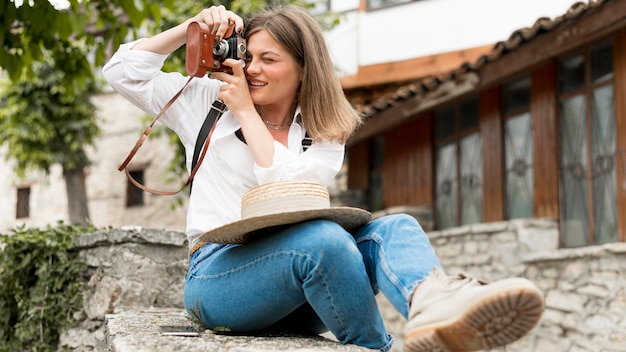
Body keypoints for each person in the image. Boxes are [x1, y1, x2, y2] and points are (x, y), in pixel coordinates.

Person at [102, 5, 544, 352]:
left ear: (303, 69)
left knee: (396, 227)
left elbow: (284, 189)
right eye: (248, 56)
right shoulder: (207, 100)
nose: (251, 68)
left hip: (302, 293)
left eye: (268, 59)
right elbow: (122, 72)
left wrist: (246, 116)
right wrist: (192, 27)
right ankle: (379, 347)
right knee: (324, 241)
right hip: (218, 276)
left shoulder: (323, 132)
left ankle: (434, 306)